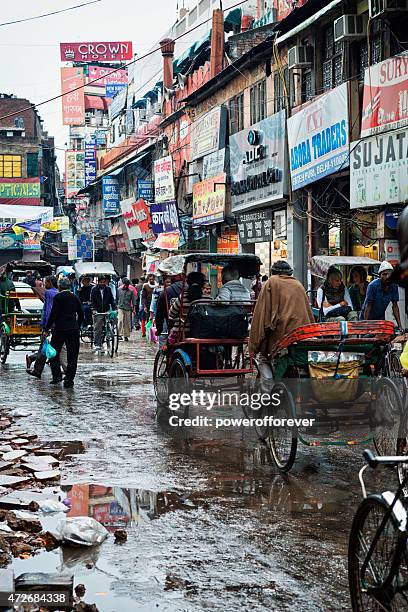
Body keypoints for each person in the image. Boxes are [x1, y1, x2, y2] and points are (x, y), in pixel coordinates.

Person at [249, 260, 315, 379]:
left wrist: (253, 345)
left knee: (262, 359)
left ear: (273, 272)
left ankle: (267, 393)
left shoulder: (272, 282)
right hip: (303, 338)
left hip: (282, 337)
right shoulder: (298, 285)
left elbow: (261, 315)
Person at [45, 277, 84, 388]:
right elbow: (81, 314)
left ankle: (57, 375)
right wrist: (77, 325)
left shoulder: (58, 297)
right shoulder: (74, 297)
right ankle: (69, 380)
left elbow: (53, 314)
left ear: (59, 286)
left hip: (60, 330)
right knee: (72, 356)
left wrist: (46, 328)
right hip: (73, 330)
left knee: (53, 353)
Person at [26, 275, 59, 378]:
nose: (45, 284)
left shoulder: (49, 293)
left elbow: (48, 310)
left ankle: (37, 369)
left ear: (50, 283)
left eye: (46, 282)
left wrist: (45, 326)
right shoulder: (57, 293)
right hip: (57, 323)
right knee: (50, 347)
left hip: (49, 324)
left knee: (44, 347)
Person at [169, 272, 210, 340]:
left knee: (168, 346)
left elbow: (171, 314)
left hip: (183, 333)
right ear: (202, 284)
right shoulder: (209, 299)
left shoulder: (182, 297)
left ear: (188, 283)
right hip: (203, 334)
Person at [361, 261, 402, 328]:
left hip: (380, 318)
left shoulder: (394, 286)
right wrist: (365, 324)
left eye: (390, 274)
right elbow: (368, 306)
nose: (387, 276)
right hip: (366, 317)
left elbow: (395, 306)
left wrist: (400, 326)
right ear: (380, 276)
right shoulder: (372, 286)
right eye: (384, 274)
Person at [90, 276, 116, 352]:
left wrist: (114, 309)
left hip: (106, 310)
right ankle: (97, 344)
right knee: (97, 328)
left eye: (103, 282)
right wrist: (94, 310)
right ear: (98, 282)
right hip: (98, 311)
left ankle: (109, 334)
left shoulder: (108, 289)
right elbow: (92, 301)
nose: (102, 283)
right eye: (100, 282)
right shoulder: (94, 289)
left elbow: (112, 300)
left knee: (112, 321)